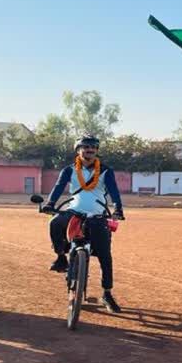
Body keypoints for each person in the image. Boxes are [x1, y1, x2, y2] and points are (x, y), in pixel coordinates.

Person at [43, 134, 125, 313]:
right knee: (55, 222)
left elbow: (114, 192)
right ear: (78, 150)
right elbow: (58, 187)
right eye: (86, 147)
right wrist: (50, 203)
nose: (90, 150)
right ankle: (61, 257)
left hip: (98, 215)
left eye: (93, 148)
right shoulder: (69, 170)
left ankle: (107, 293)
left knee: (105, 256)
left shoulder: (105, 171)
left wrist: (118, 209)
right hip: (74, 212)